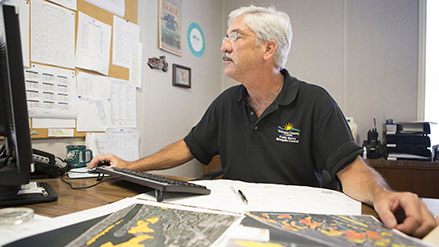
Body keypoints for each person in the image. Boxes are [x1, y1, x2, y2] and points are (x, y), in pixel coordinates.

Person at [89, 5, 438, 238]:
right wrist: (131, 166)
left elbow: (351, 170)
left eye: (236, 36)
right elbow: (188, 146)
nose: (224, 45)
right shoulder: (227, 102)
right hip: (235, 223)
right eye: (227, 36)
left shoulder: (315, 102)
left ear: (268, 49)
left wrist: (382, 195)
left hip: (295, 228)